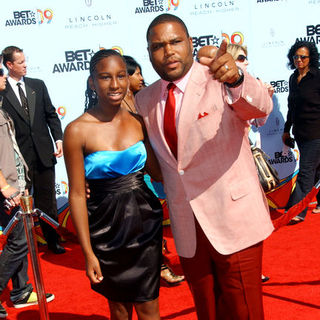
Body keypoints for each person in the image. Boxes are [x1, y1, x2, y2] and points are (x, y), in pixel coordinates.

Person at [135, 13, 274, 319]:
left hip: (234, 219)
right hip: (188, 229)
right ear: (149, 53)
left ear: (189, 43)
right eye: (158, 46)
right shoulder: (143, 100)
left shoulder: (218, 75)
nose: (168, 50)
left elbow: (260, 106)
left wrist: (237, 78)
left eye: (175, 42)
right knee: (207, 312)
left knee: (244, 312)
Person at [63, 49, 163, 320]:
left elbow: (157, 172)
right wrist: (87, 252)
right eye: (106, 77)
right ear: (92, 82)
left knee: (149, 305)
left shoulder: (139, 121)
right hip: (105, 229)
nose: (116, 84)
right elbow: (76, 196)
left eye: (121, 76)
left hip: (145, 222)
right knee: (119, 309)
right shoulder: (76, 130)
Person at [122, 54, 184, 286]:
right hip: (133, 176)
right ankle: (157, 267)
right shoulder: (116, 108)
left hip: (157, 167)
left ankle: (155, 266)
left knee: (153, 221)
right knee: (144, 225)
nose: (141, 77)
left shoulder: (143, 100)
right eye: (135, 73)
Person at [0, 55, 54, 319]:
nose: (3, 79)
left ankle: (20, 291)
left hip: (16, 182)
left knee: (18, 237)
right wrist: (4, 186)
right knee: (19, 241)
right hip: (6, 188)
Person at [0, 46, 65, 254]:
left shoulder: (38, 85)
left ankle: (53, 241)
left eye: (25, 61)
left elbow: (51, 115)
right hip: (19, 160)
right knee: (21, 206)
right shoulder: (2, 91)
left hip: (44, 154)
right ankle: (23, 245)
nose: (25, 65)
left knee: (48, 201)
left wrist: (58, 139)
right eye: (20, 62)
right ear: (9, 65)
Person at [282, 41, 320, 221]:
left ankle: (296, 211)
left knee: (306, 170)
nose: (299, 60)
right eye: (296, 56)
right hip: (300, 132)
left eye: (303, 57)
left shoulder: (318, 77)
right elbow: (291, 106)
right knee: (316, 168)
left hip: (316, 132)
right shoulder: (293, 78)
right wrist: (286, 130)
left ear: (310, 58)